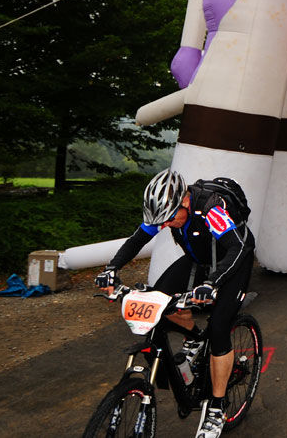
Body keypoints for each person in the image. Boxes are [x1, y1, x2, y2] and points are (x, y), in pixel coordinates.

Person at [95, 169, 254, 438]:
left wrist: (212, 283)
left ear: (186, 201)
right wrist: (112, 268)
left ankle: (216, 407)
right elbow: (137, 240)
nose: (166, 225)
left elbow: (237, 247)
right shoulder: (166, 212)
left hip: (232, 261)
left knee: (218, 329)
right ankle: (195, 338)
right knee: (157, 303)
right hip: (199, 259)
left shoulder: (211, 209)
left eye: (170, 218)